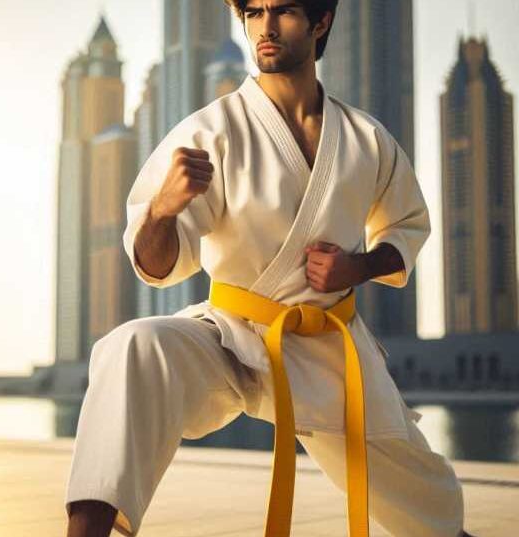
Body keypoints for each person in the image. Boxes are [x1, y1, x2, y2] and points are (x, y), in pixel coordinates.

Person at [65, 1, 476, 536]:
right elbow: (157, 264)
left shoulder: (365, 138)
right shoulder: (210, 129)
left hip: (328, 347)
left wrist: (358, 266)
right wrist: (163, 210)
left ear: (320, 21)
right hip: (232, 337)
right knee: (133, 349)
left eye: (282, 11)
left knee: (429, 506)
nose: (265, 26)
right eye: (254, 12)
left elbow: (408, 226)